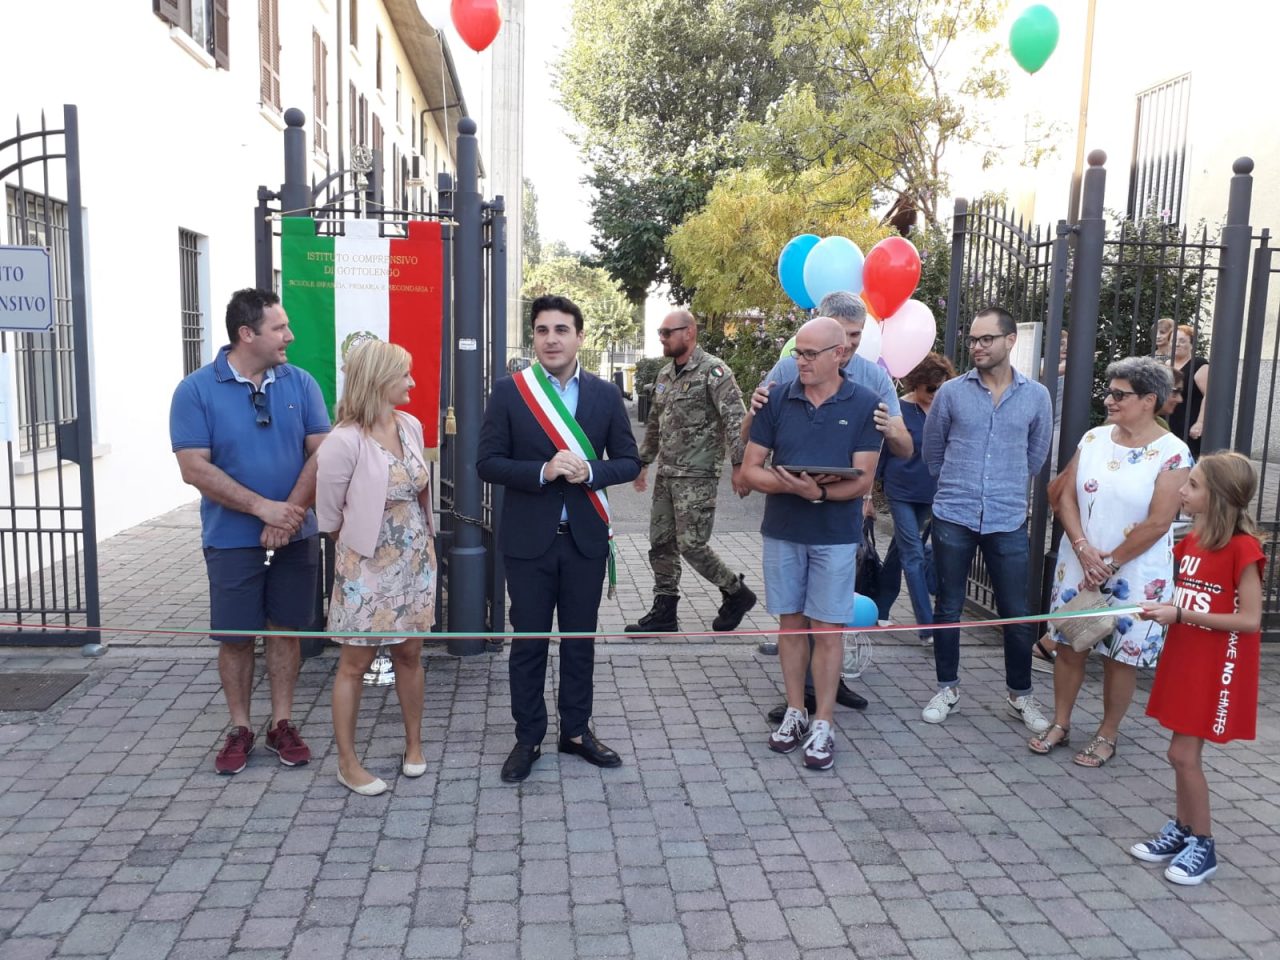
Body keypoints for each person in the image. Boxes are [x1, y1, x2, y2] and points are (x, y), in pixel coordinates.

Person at [477, 295, 641, 783]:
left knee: (579, 642)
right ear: (534, 337)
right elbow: (487, 463)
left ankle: (575, 732)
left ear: (580, 337)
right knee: (528, 644)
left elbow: (630, 462)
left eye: (562, 329)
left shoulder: (605, 395)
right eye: (543, 330)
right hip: (529, 543)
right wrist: (543, 471)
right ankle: (527, 737)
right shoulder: (511, 393)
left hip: (585, 540)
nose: (552, 338)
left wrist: (590, 470)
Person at [169, 288, 330, 774]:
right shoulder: (195, 390)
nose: (290, 336)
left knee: (285, 631)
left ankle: (282, 722)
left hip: (295, 534)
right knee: (237, 637)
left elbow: (322, 454)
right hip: (230, 539)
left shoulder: (301, 383)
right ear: (247, 334)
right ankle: (239, 727)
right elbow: (193, 467)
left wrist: (290, 515)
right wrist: (264, 509)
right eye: (279, 328)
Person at [747, 291, 908, 714]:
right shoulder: (788, 368)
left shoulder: (873, 382)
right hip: (788, 521)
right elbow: (754, 438)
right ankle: (799, 701)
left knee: (829, 618)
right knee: (794, 619)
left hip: (841, 516)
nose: (852, 345)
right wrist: (763, 464)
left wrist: (886, 429)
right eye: (845, 335)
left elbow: (904, 447)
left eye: (856, 336)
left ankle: (827, 699)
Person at [1028, 357, 1191, 767]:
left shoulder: (1172, 453)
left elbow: (1159, 521)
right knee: (1067, 645)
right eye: (1110, 392)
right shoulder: (1094, 438)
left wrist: (1111, 564)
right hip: (1079, 562)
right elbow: (1064, 494)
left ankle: (1107, 733)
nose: (1109, 400)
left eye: (1120, 394)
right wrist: (1082, 546)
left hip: (1134, 572)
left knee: (1121, 656)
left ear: (1149, 400)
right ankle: (1061, 723)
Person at [742, 316, 882, 771]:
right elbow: (750, 469)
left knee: (828, 630)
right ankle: (795, 713)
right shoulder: (776, 399)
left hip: (835, 537)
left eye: (809, 354)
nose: (799, 361)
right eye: (796, 353)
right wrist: (792, 487)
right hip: (783, 528)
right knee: (790, 625)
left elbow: (863, 481)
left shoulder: (865, 403)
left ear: (838, 354)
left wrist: (819, 493)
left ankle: (824, 721)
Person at [1133, 452, 1264, 885]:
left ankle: (1203, 845)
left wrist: (1182, 616)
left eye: (1192, 485)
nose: (1182, 492)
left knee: (1182, 755)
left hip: (1215, 664)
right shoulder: (1192, 541)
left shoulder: (1242, 548)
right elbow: (1188, 600)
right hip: (1185, 655)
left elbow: (1249, 620)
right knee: (1178, 754)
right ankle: (1184, 831)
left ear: (1219, 497)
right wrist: (1166, 609)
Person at [921, 306, 1053, 733]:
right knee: (949, 608)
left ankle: (1021, 695)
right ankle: (947, 687)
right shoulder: (952, 393)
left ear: (1010, 341)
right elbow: (933, 452)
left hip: (1008, 516)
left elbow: (1036, 456)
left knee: (1016, 613)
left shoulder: (1036, 396)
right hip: (954, 514)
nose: (976, 347)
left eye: (986, 339)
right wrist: (960, 485)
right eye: (973, 339)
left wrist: (1002, 485)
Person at [315, 341, 436, 797]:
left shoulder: (409, 424)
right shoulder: (344, 441)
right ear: (379, 380)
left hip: (415, 561)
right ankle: (348, 763)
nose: (412, 383)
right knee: (354, 663)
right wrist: (365, 552)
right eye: (404, 375)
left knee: (410, 654)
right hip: (366, 565)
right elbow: (327, 515)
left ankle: (414, 746)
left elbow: (419, 487)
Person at [627, 310, 756, 634]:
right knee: (660, 543)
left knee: (692, 544)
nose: (662, 337)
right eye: (660, 331)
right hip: (667, 475)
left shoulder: (714, 371)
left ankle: (735, 592)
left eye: (667, 331)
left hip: (697, 475)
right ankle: (665, 610)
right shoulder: (664, 375)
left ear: (689, 333)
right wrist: (644, 463)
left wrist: (741, 467)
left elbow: (735, 420)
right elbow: (655, 424)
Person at [871, 353, 954, 644]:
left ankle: (881, 608)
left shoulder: (944, 408)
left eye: (940, 387)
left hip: (930, 492)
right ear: (916, 384)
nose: (935, 393)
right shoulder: (899, 409)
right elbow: (881, 451)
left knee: (902, 549)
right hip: (901, 490)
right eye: (930, 388)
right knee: (913, 555)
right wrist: (868, 495)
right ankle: (927, 628)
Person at [1168, 323, 1209, 459]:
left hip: (1188, 424)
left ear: (1191, 344)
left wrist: (1200, 423)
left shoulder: (1199, 364)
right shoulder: (1166, 365)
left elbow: (1208, 396)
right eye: (1174, 341)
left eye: (1182, 341)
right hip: (1167, 422)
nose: (1177, 344)